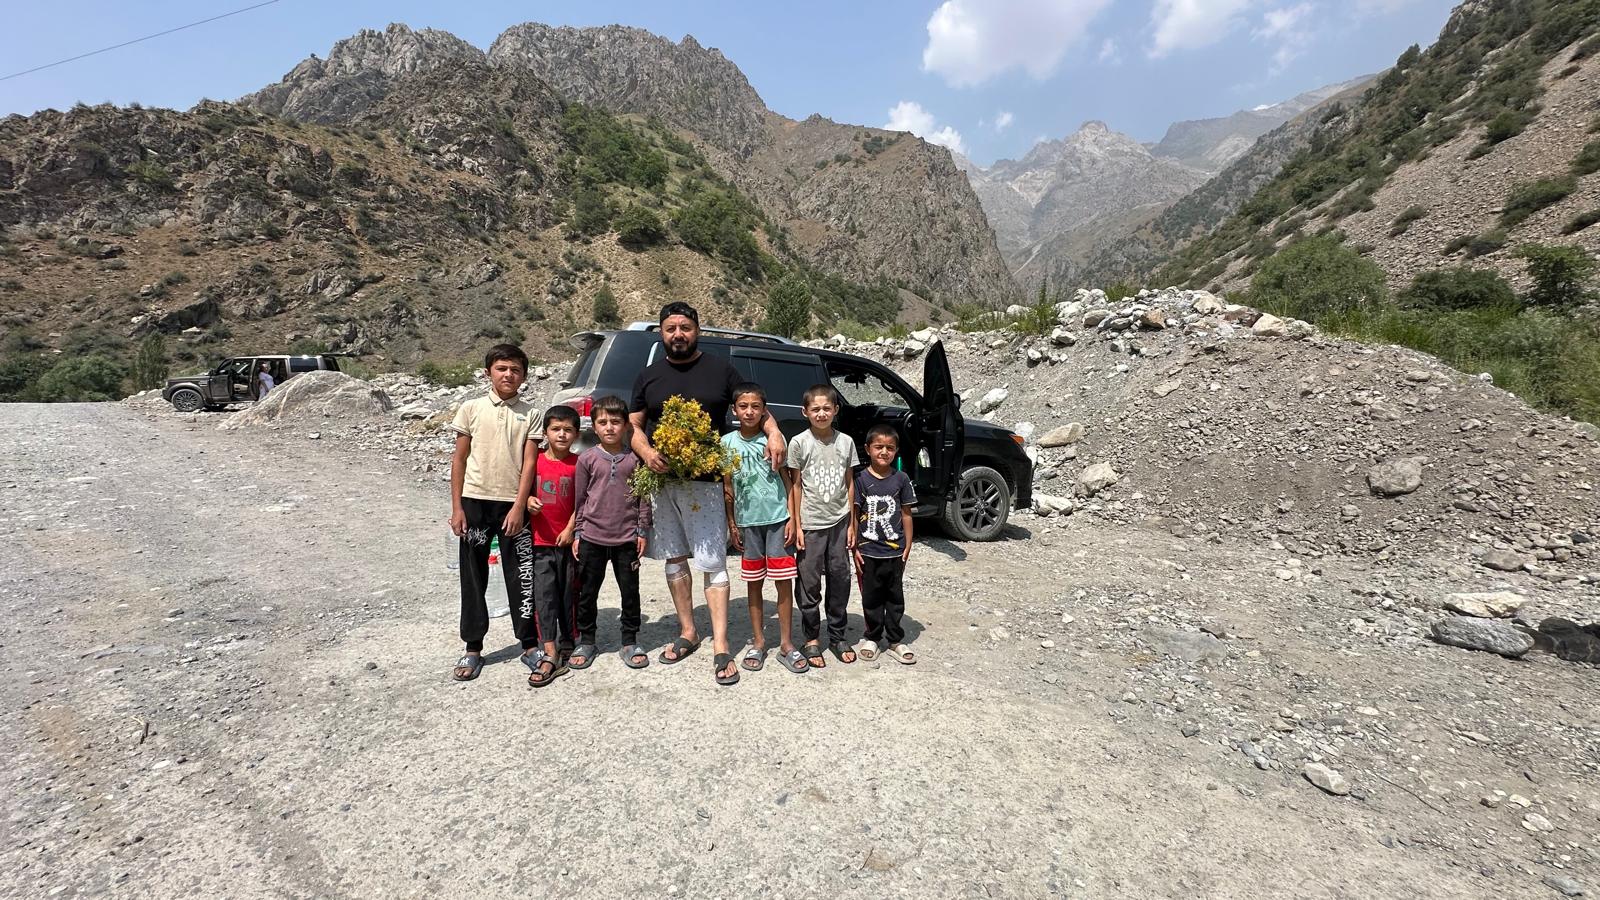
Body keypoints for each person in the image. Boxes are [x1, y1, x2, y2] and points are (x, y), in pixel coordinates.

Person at [630, 301, 786, 686]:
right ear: (661, 333)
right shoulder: (649, 376)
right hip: (664, 481)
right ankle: (688, 631)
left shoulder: (721, 370)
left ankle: (720, 644)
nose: (678, 334)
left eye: (685, 327)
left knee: (713, 561)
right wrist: (647, 452)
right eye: (671, 328)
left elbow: (756, 404)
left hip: (708, 483)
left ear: (697, 330)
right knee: (674, 558)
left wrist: (775, 433)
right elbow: (633, 424)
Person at [447, 344, 539, 682]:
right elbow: (459, 459)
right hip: (474, 502)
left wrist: (519, 505)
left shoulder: (531, 413)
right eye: (501, 368)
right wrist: (457, 508)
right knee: (473, 577)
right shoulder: (471, 408)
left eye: (515, 370)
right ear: (488, 372)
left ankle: (529, 644)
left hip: (512, 506)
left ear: (524, 376)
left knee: (521, 575)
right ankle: (473, 647)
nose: (508, 375)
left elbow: (530, 462)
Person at [721, 383, 807, 676]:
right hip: (747, 524)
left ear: (764, 410)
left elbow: (789, 481)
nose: (749, 411)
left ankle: (786, 644)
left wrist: (793, 518)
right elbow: (727, 486)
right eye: (743, 406)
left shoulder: (774, 441)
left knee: (783, 581)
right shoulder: (726, 443)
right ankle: (758, 641)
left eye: (755, 406)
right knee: (754, 583)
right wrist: (732, 522)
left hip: (778, 520)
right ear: (734, 410)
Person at [571, 395, 652, 670]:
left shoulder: (635, 459)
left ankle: (629, 640)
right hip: (592, 537)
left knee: (630, 592)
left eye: (615, 422)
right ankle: (587, 640)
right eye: (603, 422)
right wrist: (578, 533)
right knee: (587, 592)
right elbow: (580, 499)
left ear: (626, 425)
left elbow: (643, 497)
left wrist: (642, 530)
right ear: (594, 427)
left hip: (626, 539)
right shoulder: (587, 459)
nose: (609, 427)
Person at [788, 383, 860, 668]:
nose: (821, 414)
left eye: (826, 408)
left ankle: (838, 635)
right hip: (811, 523)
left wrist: (852, 523)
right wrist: (797, 524)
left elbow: (850, 482)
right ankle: (811, 638)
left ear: (835, 410)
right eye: (815, 409)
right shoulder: (799, 443)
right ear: (805, 412)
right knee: (809, 582)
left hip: (840, 522)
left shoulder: (846, 442)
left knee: (840, 579)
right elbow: (795, 486)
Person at [512, 405, 580, 687]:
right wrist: (528, 500)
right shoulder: (535, 460)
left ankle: (569, 642)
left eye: (568, 430)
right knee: (544, 596)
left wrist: (570, 529)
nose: (562, 434)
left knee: (568, 593)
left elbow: (583, 502)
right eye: (556, 429)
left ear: (576, 434)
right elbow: (523, 490)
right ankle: (550, 650)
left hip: (567, 542)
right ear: (545, 432)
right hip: (539, 542)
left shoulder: (579, 464)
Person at [851, 424, 917, 665]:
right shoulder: (860, 479)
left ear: (896, 451)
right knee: (871, 597)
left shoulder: (901, 479)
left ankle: (895, 640)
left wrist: (908, 544)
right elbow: (854, 514)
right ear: (868, 449)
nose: (884, 452)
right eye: (878, 447)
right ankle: (872, 637)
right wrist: (854, 547)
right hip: (868, 552)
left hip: (895, 552)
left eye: (890, 448)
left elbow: (906, 513)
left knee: (895, 597)